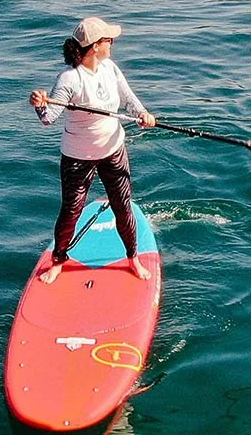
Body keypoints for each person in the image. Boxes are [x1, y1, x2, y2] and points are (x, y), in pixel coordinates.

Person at [28, 16, 156, 284]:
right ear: (95, 46)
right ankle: (58, 260)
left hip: (113, 149)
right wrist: (39, 103)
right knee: (71, 211)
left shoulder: (110, 68)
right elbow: (48, 118)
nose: (112, 44)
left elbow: (128, 98)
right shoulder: (69, 79)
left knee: (123, 207)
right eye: (108, 40)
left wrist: (143, 113)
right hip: (78, 156)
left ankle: (133, 258)